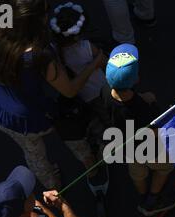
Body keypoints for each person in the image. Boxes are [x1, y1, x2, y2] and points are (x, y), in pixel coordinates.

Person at [0, 0, 106, 190]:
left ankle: (53, 185)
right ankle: (92, 168)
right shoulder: (41, 55)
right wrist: (94, 63)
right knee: (73, 134)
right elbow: (69, 89)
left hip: (0, 110)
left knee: (34, 154)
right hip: (32, 115)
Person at [105, 44, 175, 215]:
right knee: (164, 168)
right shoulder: (146, 109)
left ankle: (142, 194)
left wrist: (142, 97)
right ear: (136, 78)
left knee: (137, 174)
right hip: (150, 150)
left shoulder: (105, 94)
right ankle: (152, 199)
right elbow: (155, 131)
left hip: (127, 149)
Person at [50, 2, 110, 189]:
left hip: (82, 98)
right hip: (99, 90)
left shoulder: (54, 52)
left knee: (92, 120)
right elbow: (105, 63)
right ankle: (107, 146)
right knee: (107, 117)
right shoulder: (86, 47)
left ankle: (97, 142)